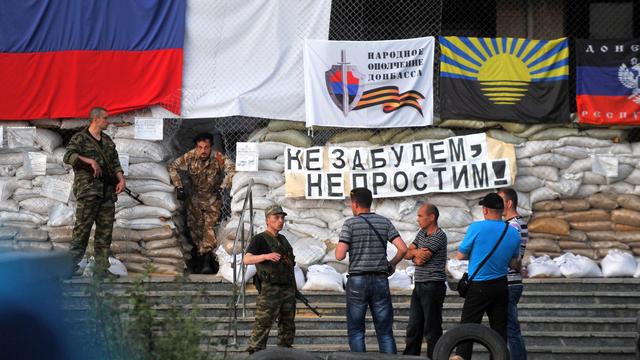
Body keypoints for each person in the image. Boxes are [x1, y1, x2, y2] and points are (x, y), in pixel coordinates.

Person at [335, 187, 407, 354]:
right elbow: (403, 249)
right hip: (380, 280)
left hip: (357, 282)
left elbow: (339, 255)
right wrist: (392, 264)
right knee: (385, 332)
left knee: (356, 331)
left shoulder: (350, 224)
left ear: (355, 204)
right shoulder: (384, 222)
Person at [455, 192, 521, 360]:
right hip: (501, 286)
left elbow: (460, 256)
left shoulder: (476, 228)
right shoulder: (513, 232)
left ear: (485, 210)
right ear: (501, 210)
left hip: (479, 286)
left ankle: (462, 357)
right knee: (499, 332)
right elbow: (514, 264)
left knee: (467, 329)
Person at [63, 107, 126, 276]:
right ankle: (68, 267)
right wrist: (89, 160)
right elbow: (68, 156)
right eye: (105, 118)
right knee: (82, 230)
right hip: (88, 191)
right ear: (96, 119)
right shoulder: (80, 138)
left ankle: (101, 269)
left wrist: (121, 179)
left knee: (105, 233)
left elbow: (115, 163)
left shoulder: (107, 141)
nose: (108, 121)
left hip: (107, 192)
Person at [168, 132, 235, 274]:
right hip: (194, 200)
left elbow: (231, 169)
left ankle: (207, 264)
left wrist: (224, 186)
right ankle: (201, 260)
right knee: (195, 231)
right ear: (196, 147)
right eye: (200, 147)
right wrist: (179, 186)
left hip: (212, 200)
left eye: (206, 147)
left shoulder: (217, 157)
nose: (203, 151)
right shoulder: (190, 156)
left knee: (209, 230)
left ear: (211, 147)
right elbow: (173, 166)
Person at [243, 205, 296, 354]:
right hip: (270, 290)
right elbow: (246, 259)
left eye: (282, 218)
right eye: (277, 218)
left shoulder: (283, 240)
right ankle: (256, 354)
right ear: (268, 220)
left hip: (287, 289)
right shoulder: (259, 239)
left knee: (287, 326)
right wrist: (266, 256)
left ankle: (285, 353)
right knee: (263, 325)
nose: (280, 221)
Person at [403, 203, 447, 359]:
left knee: (432, 328)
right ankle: (410, 357)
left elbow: (420, 261)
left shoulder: (439, 235)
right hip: (420, 285)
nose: (418, 219)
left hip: (433, 286)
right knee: (414, 327)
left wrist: (414, 254)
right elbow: (407, 254)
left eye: (420, 216)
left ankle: (435, 357)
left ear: (432, 217)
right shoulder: (422, 233)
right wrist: (415, 252)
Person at [498, 188, 529, 360]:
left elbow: (511, 256)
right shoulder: (513, 224)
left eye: (500, 201)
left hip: (510, 281)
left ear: (509, 203)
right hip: (511, 280)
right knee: (509, 328)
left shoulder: (514, 225)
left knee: (511, 329)